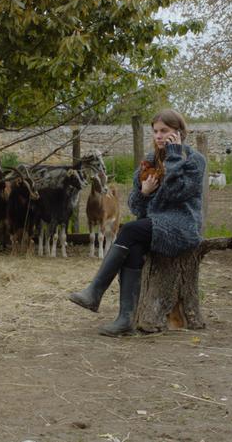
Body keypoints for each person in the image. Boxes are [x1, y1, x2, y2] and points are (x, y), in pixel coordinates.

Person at [68, 109, 206, 336]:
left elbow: (176, 193)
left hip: (182, 226)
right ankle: (125, 320)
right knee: (132, 246)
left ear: (179, 133)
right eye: (156, 131)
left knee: (130, 230)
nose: (159, 136)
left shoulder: (194, 160)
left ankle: (95, 291)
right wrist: (144, 192)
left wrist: (173, 155)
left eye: (165, 131)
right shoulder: (149, 162)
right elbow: (135, 206)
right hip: (155, 225)